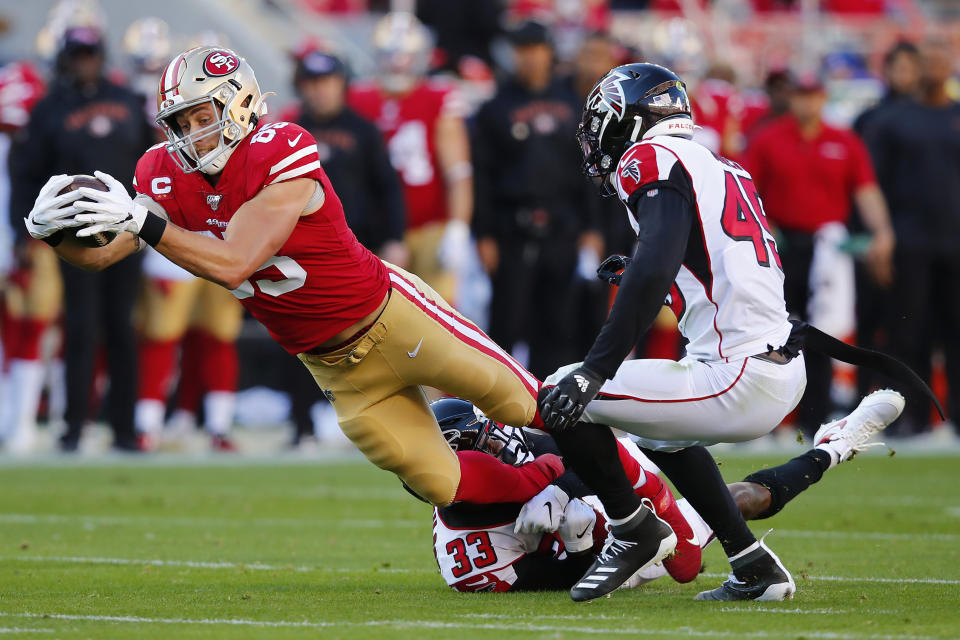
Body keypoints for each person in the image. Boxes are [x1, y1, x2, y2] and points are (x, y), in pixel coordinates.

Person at [25, 46, 545, 510]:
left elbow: (235, 261)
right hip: (333, 366)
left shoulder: (279, 145)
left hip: (393, 318)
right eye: (178, 123)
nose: (189, 135)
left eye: (200, 116)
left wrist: (143, 220)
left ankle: (627, 482)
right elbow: (102, 256)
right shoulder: (161, 171)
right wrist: (53, 233)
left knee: (529, 403)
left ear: (239, 104)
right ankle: (552, 487)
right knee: (441, 484)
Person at [532, 62, 923, 604]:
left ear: (629, 117)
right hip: (779, 364)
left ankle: (633, 529)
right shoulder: (723, 167)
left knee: (559, 391)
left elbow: (658, 266)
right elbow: (721, 270)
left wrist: (595, 370)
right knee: (662, 434)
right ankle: (753, 566)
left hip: (737, 372)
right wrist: (661, 273)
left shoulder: (651, 158)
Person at [429, 390, 903, 592]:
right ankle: (834, 446)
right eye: (477, 442)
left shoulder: (502, 455)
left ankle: (831, 442)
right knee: (735, 504)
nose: (496, 441)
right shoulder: (475, 533)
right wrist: (581, 541)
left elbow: (587, 452)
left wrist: (559, 484)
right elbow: (561, 582)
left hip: (577, 511)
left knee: (652, 455)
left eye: (486, 431)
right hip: (570, 556)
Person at [11, 25, 155, 452]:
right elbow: (26, 174)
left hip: (126, 232)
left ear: (102, 55)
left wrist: (150, 220)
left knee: (122, 328)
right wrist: (23, 230)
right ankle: (75, 426)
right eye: (77, 54)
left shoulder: (127, 101)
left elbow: (150, 166)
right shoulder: (48, 109)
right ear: (66, 58)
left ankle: (125, 430)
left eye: (90, 53)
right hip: (72, 236)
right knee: (80, 327)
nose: (85, 61)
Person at [744, 71, 895, 438]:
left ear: (822, 98)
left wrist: (882, 231)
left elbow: (866, 190)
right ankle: (772, 422)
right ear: (791, 98)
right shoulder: (769, 138)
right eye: (800, 95)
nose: (806, 103)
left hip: (829, 250)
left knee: (825, 332)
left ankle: (818, 416)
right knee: (776, 330)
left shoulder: (843, 140)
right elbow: (746, 191)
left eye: (812, 95)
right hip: (782, 246)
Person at [472, 20, 602, 378]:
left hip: (563, 225)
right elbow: (482, 175)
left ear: (549, 52)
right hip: (512, 227)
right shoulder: (494, 108)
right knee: (506, 323)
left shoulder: (572, 104)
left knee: (559, 322)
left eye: (536, 49)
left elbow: (587, 170)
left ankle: (551, 405)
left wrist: (592, 227)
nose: (529, 58)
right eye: (522, 51)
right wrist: (482, 234)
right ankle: (499, 409)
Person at [863, 39, 960, 437]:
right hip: (909, 240)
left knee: (956, 330)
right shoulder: (892, 120)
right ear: (918, 67)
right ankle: (913, 416)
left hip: (955, 241)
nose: (935, 67)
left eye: (942, 60)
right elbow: (871, 184)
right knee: (909, 330)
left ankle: (956, 418)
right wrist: (878, 237)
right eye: (929, 61)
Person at [348, 12, 473, 305]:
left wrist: (458, 226)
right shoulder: (358, 98)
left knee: (442, 317)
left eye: (405, 55)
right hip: (377, 229)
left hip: (430, 225)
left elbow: (458, 170)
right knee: (379, 315)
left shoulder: (438, 97)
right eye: (389, 54)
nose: (397, 62)